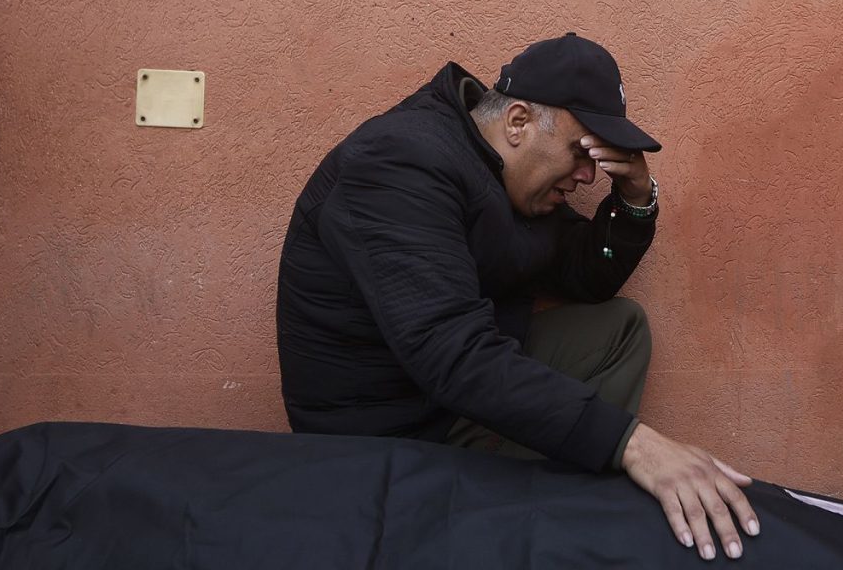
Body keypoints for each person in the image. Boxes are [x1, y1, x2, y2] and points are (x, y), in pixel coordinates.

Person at [276, 33, 759, 561]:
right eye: (582, 151)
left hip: (444, 400)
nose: (589, 174)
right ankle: (523, 532)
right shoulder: (400, 163)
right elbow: (453, 353)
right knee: (581, 429)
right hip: (382, 442)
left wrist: (635, 199)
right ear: (519, 123)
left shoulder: (501, 173)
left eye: (601, 158)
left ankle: (543, 510)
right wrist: (633, 445)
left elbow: (587, 276)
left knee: (617, 329)